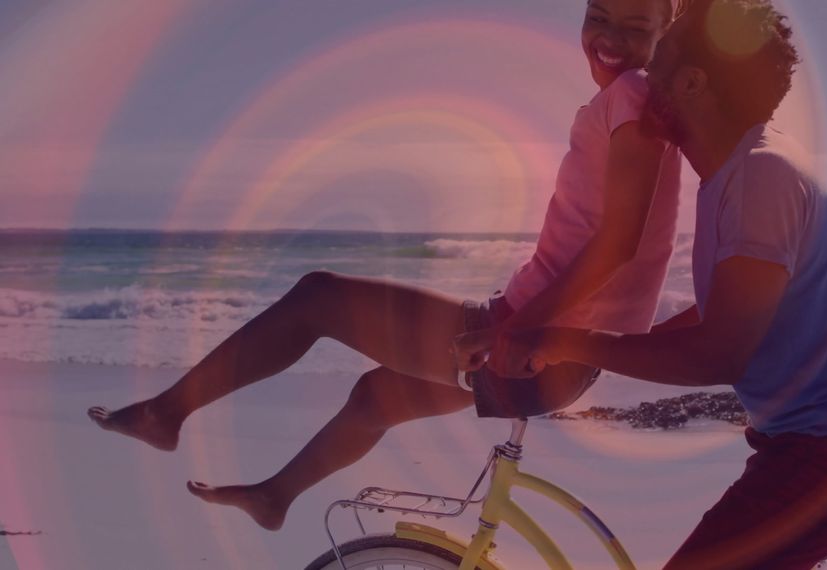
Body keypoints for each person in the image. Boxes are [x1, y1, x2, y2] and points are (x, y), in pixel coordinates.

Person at [88, 0, 687, 531]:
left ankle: (165, 414)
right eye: (597, 17)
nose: (609, 37)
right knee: (376, 397)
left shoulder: (633, 94)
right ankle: (274, 497)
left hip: (542, 344)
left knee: (316, 298)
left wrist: (516, 330)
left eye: (636, 25)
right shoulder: (630, 99)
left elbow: (619, 243)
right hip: (556, 346)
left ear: (670, 29)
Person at [459, 1, 827, 567]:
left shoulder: (761, 177)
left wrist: (565, 342)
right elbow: (727, 317)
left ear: (690, 83)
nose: (639, 79)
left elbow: (719, 354)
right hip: (810, 450)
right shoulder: (731, 176)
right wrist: (590, 339)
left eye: (658, 60)